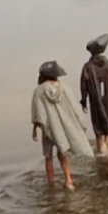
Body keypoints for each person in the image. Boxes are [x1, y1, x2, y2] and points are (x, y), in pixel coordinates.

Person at [30, 60, 93, 190]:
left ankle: (51, 183)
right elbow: (74, 106)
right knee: (62, 153)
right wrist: (80, 122)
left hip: (48, 127)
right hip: (62, 127)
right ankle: (69, 180)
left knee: (48, 156)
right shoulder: (64, 87)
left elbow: (37, 112)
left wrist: (35, 128)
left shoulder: (39, 91)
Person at [80, 33, 108, 156]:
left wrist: (83, 100)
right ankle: (107, 142)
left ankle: (100, 148)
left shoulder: (88, 66)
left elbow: (83, 85)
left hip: (95, 100)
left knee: (97, 122)